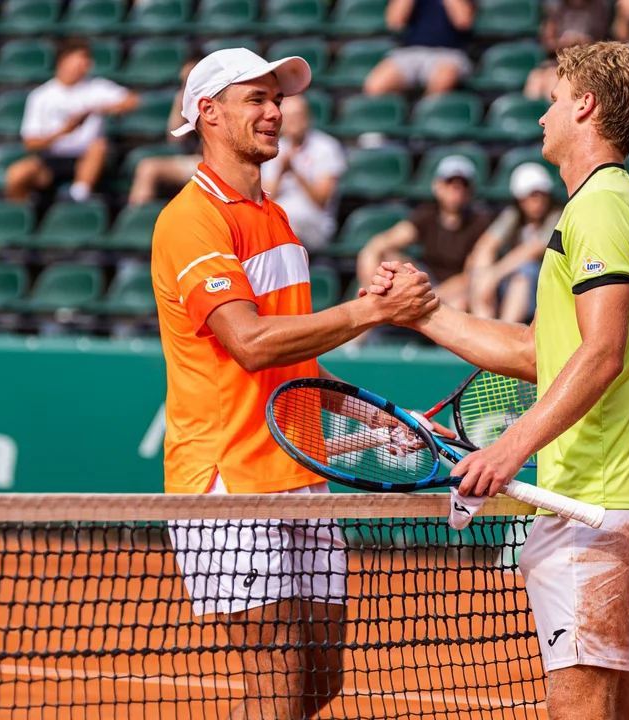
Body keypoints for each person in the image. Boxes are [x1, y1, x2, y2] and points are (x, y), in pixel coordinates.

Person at [366, 41, 629, 720]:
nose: (542, 116)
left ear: (584, 106)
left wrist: (506, 451)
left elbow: (600, 354)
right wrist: (424, 313)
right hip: (619, 496)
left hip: (592, 502)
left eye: (553, 99)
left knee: (582, 705)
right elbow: (545, 351)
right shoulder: (612, 202)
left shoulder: (595, 208)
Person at [150, 47, 439, 720]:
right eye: (256, 99)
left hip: (297, 472)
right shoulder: (192, 219)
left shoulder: (275, 217)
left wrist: (370, 418)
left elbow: (291, 358)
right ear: (208, 113)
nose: (275, 111)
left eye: (276, 99)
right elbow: (250, 344)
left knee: (319, 676)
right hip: (228, 481)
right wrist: (371, 310)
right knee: (276, 686)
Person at [6, 38, 139, 203]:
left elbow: (132, 100)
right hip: (52, 159)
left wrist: (97, 108)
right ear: (63, 61)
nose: (85, 65)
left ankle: (78, 196)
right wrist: (65, 131)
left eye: (87, 60)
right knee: (17, 174)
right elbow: (30, 142)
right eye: (81, 59)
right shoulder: (41, 96)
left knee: (99, 147)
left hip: (85, 158)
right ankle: (21, 218)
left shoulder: (96, 87)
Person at [356, 155, 494, 312]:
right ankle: (371, 310)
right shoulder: (426, 215)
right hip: (427, 280)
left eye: (463, 184)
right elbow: (386, 241)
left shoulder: (479, 223)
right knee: (379, 256)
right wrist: (371, 257)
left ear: (470, 190)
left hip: (454, 290)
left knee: (460, 304)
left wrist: (432, 293)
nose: (456, 188)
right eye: (450, 182)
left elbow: (471, 275)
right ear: (437, 186)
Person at [467, 163, 562, 322]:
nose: (537, 200)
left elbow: (533, 249)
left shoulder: (558, 215)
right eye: (531, 195)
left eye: (541, 194)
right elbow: (486, 245)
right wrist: (483, 276)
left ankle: (505, 330)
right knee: (479, 269)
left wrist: (494, 274)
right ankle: (485, 325)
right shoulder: (513, 215)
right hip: (508, 284)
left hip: (545, 287)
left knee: (526, 271)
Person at [260, 95, 346, 251]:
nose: (294, 122)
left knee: (285, 232)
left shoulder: (325, 147)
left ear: (307, 117)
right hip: (276, 221)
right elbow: (266, 198)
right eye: (288, 117)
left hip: (313, 225)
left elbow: (321, 200)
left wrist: (295, 171)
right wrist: (281, 172)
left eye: (298, 116)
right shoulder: (272, 148)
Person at [127, 56, 202, 206]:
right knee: (147, 168)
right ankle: (136, 219)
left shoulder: (218, 100)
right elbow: (174, 137)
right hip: (196, 160)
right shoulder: (184, 100)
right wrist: (180, 102)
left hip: (218, 164)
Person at [362, 0, 475, 97]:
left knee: (442, 81)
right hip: (412, 51)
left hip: (449, 53)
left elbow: (463, 21)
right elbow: (395, 22)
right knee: (375, 85)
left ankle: (424, 116)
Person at [524, 0, 613, 100]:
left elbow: (602, 44)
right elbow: (548, 43)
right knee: (535, 79)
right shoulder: (556, 8)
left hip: (583, 63)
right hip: (557, 59)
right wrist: (562, 42)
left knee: (554, 81)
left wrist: (581, 41)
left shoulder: (599, 8)